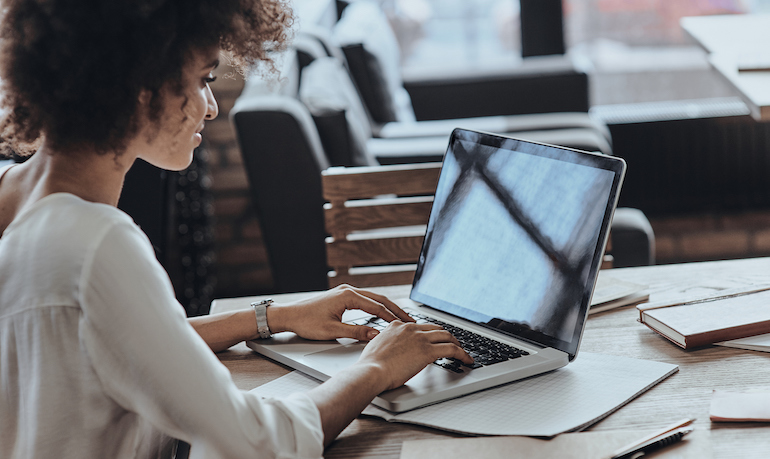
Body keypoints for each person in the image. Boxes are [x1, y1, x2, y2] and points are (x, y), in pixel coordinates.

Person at [0, 1, 472, 458]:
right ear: (141, 84)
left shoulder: (16, 199)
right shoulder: (98, 242)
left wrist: (274, 316)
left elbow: (128, 338)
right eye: (204, 80)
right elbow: (256, 445)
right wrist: (376, 367)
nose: (210, 108)